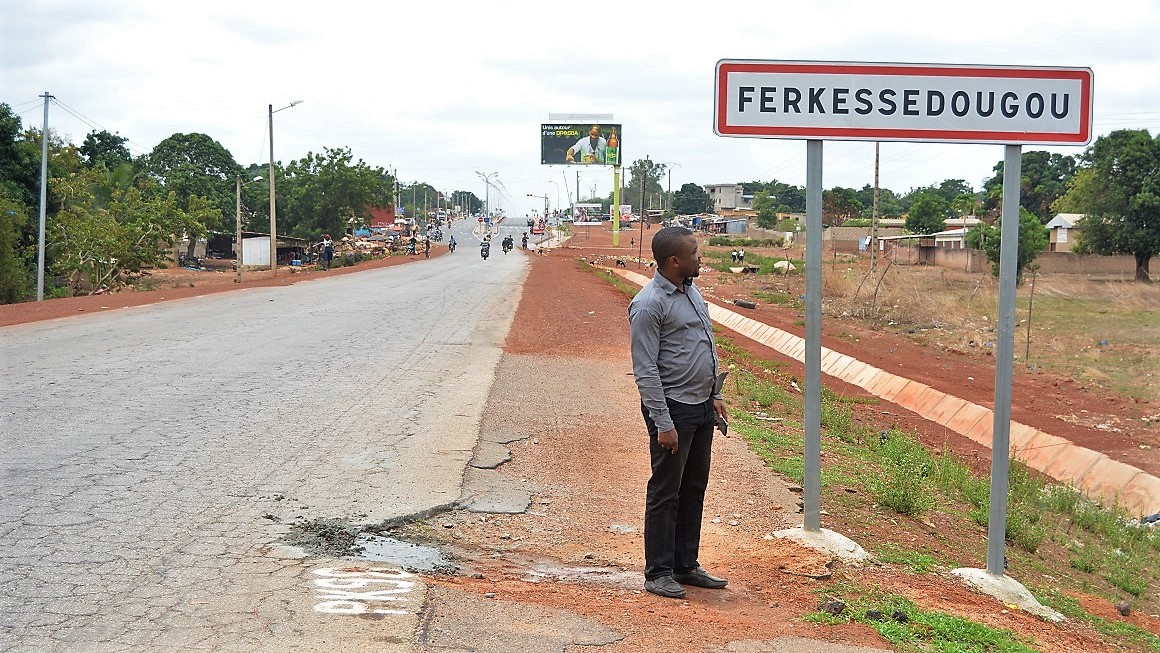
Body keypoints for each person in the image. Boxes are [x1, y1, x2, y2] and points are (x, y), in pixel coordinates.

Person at [628, 226, 728, 600]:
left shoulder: (691, 290)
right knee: (666, 490)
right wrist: (662, 422)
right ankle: (658, 572)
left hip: (700, 404)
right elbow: (645, 369)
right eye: (695, 252)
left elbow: (704, 343)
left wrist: (714, 392)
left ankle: (686, 565)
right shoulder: (649, 303)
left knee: (694, 486)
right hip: (672, 408)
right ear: (674, 260)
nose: (700, 258)